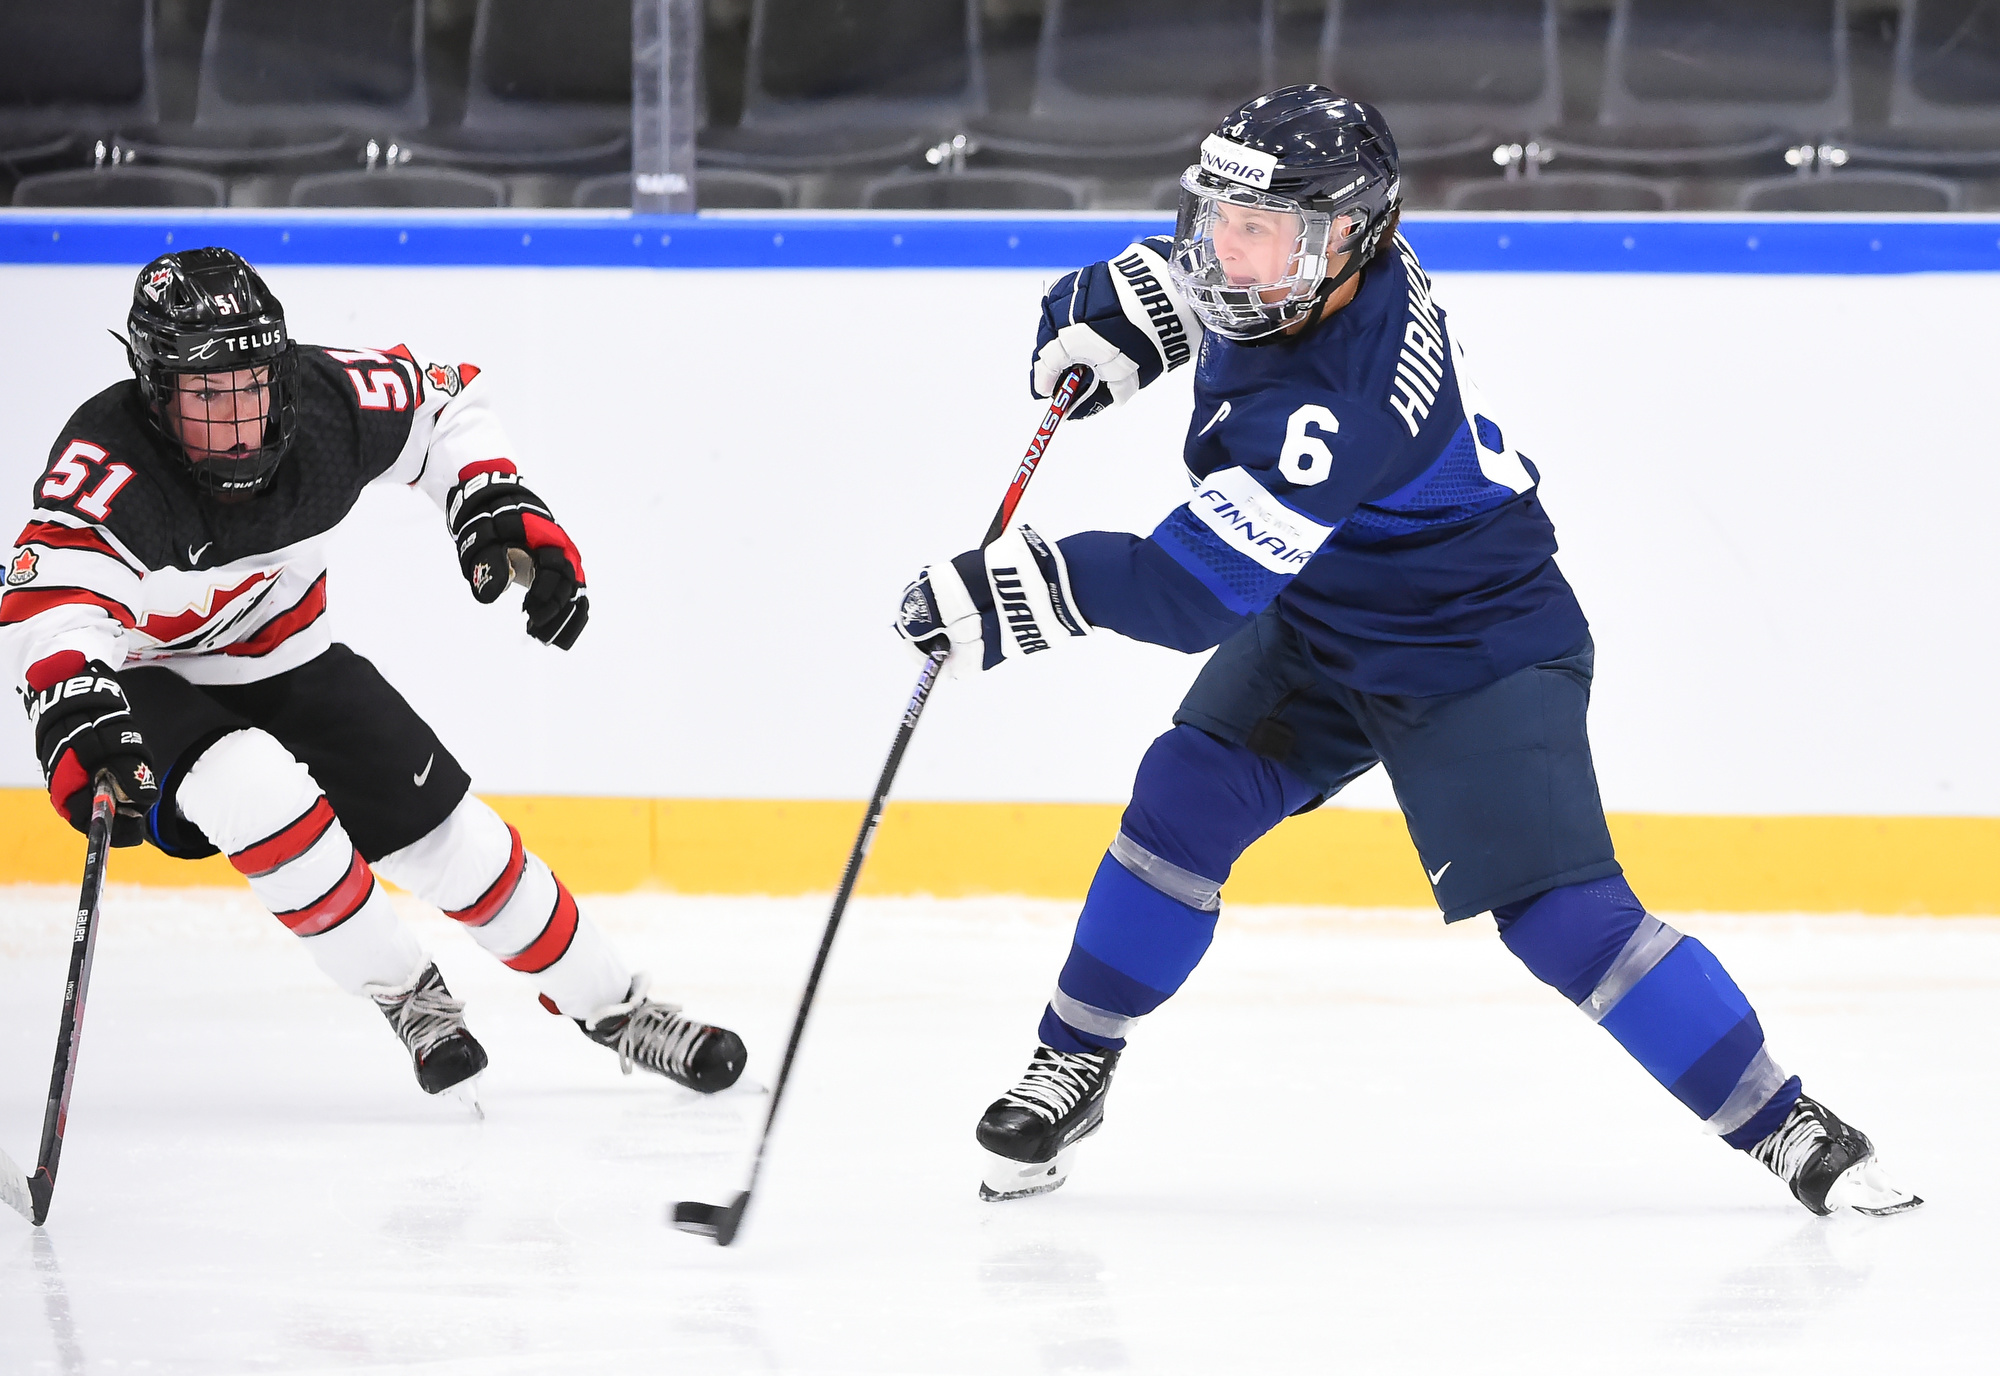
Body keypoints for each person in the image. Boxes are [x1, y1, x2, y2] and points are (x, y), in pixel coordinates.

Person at [893, 86, 1918, 1217]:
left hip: (1471, 638)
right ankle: (1072, 1058)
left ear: (1345, 238)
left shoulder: (1341, 407)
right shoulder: (1324, 263)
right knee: (1177, 803)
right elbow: (1221, 278)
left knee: (1565, 921)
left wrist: (1020, 587)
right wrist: (1144, 301)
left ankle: (1783, 1121)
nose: (1228, 255)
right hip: (1330, 611)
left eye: (1261, 231)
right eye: (1219, 222)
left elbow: (1191, 594)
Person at [4, 247, 745, 1102]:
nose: (239, 422)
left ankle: (618, 1008)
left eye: (252, 387)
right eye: (207, 397)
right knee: (255, 789)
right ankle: (409, 996)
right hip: (147, 675)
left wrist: (492, 499)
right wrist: (76, 712)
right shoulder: (109, 463)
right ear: (154, 388)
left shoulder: (326, 404)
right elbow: (52, 603)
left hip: (284, 652)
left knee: (450, 840)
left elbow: (445, 402)